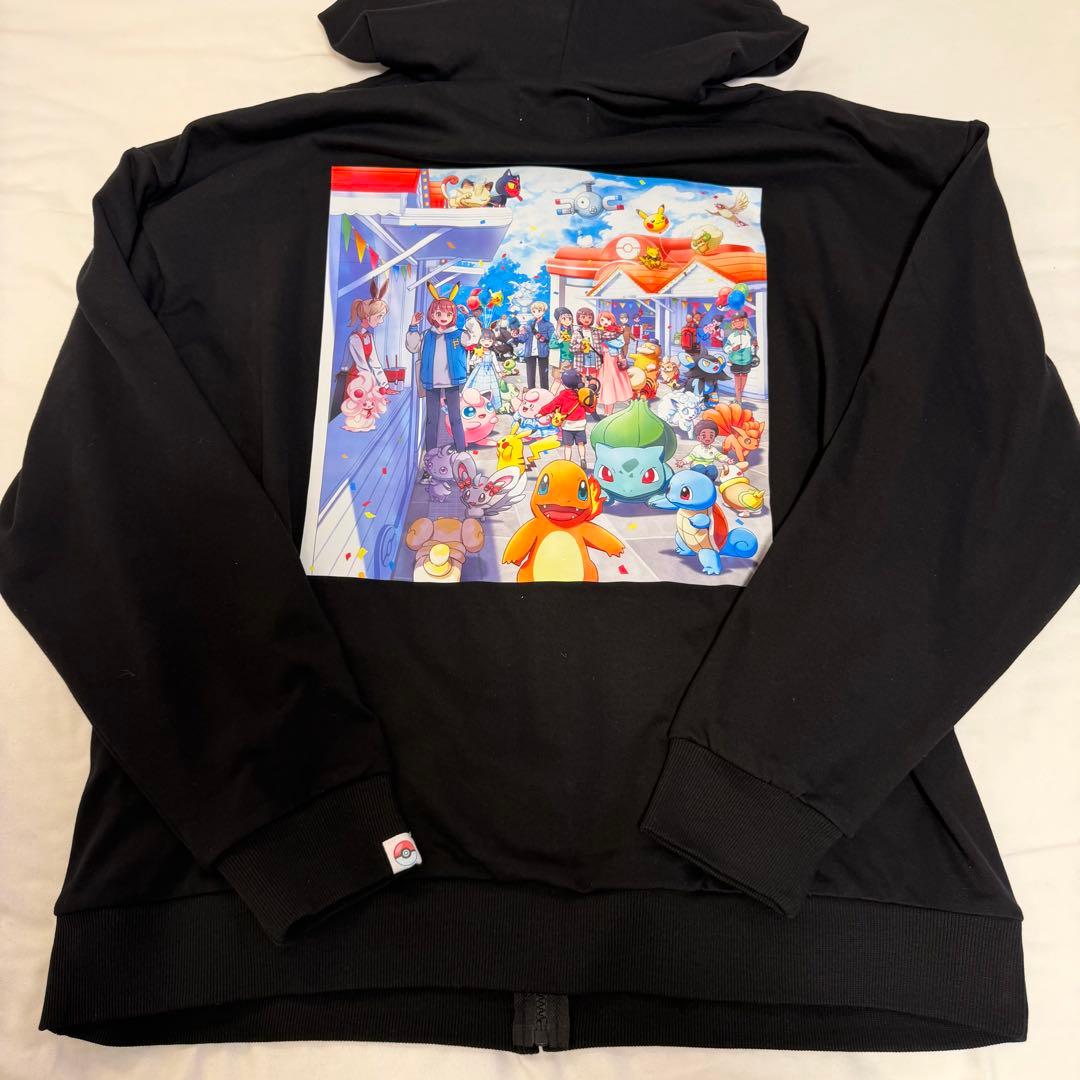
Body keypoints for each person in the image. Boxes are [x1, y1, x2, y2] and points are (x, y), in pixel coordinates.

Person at [404, 284, 468, 452]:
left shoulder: (458, 334)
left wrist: (468, 317)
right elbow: (412, 347)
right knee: (432, 419)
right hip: (431, 381)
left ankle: (461, 452)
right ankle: (431, 453)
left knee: (455, 418)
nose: (443, 317)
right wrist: (413, 326)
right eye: (439, 314)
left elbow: (473, 339)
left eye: (448, 314)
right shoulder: (427, 335)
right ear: (432, 315)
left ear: (453, 315)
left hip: (452, 381)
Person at [330, 276, 395, 422]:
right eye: (379, 316)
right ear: (366, 316)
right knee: (352, 414)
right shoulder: (355, 338)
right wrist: (377, 392)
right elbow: (363, 367)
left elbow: (375, 364)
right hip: (355, 381)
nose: (381, 321)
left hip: (365, 380)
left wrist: (385, 385)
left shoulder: (369, 337)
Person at [539, 368, 590, 467]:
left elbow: (552, 405)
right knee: (581, 444)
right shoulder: (582, 394)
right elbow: (589, 408)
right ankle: (583, 458)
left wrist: (542, 412)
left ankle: (567, 462)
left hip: (567, 425)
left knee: (568, 446)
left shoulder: (563, 395)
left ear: (564, 383)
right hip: (580, 424)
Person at [521, 300, 554, 389]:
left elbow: (552, 338)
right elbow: (524, 338)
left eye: (539, 311)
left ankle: (545, 392)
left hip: (543, 351)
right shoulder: (529, 323)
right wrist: (517, 335)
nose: (537, 313)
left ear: (544, 311)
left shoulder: (548, 324)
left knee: (544, 375)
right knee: (530, 375)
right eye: (534, 311)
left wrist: (543, 338)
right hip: (529, 352)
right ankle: (531, 391)